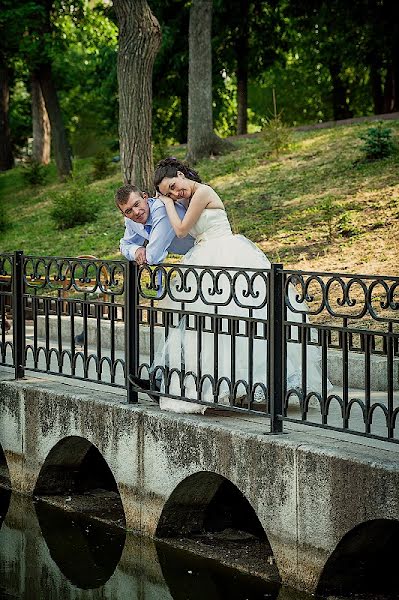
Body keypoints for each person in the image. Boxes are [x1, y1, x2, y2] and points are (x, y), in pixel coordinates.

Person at [148, 157, 330, 414]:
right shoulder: (187, 200)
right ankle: (223, 385)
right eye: (170, 193)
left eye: (174, 186)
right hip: (204, 258)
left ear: (180, 173)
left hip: (226, 255)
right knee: (210, 325)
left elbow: (180, 231)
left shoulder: (202, 192)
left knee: (243, 319)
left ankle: (255, 384)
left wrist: (165, 202)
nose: (176, 193)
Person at [116, 184, 194, 266]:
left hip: (204, 248)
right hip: (192, 255)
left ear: (145, 197)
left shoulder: (161, 209)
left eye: (136, 204)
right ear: (124, 214)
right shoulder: (130, 220)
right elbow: (124, 245)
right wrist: (136, 250)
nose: (136, 212)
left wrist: (146, 256)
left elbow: (153, 256)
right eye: (128, 211)